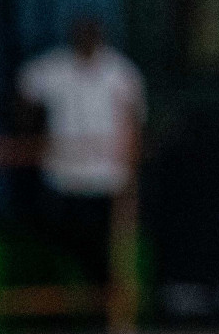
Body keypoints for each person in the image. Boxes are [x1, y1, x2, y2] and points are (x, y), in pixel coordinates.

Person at [16, 16, 144, 287]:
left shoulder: (120, 72)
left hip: (106, 176)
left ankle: (103, 300)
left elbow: (135, 120)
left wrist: (130, 169)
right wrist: (34, 133)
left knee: (102, 243)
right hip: (62, 174)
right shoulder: (54, 66)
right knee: (59, 239)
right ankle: (80, 296)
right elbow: (25, 90)